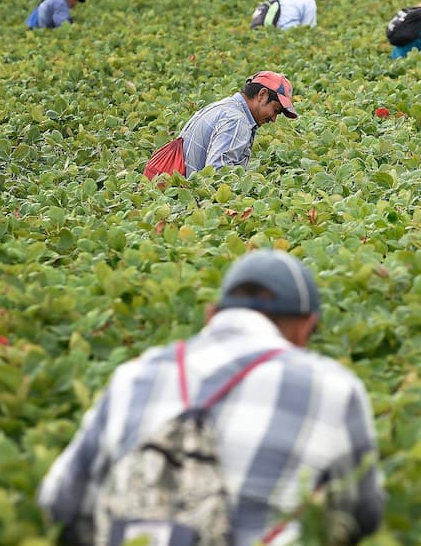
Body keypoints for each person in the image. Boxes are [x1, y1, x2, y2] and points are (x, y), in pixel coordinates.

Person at [38, 249, 385, 544]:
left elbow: (59, 503)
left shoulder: (134, 376)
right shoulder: (334, 387)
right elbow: (363, 514)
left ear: (211, 314)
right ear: (307, 325)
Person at [144, 70, 298, 179]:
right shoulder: (236, 120)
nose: (274, 119)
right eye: (275, 110)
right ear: (262, 94)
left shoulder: (224, 106)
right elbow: (218, 176)